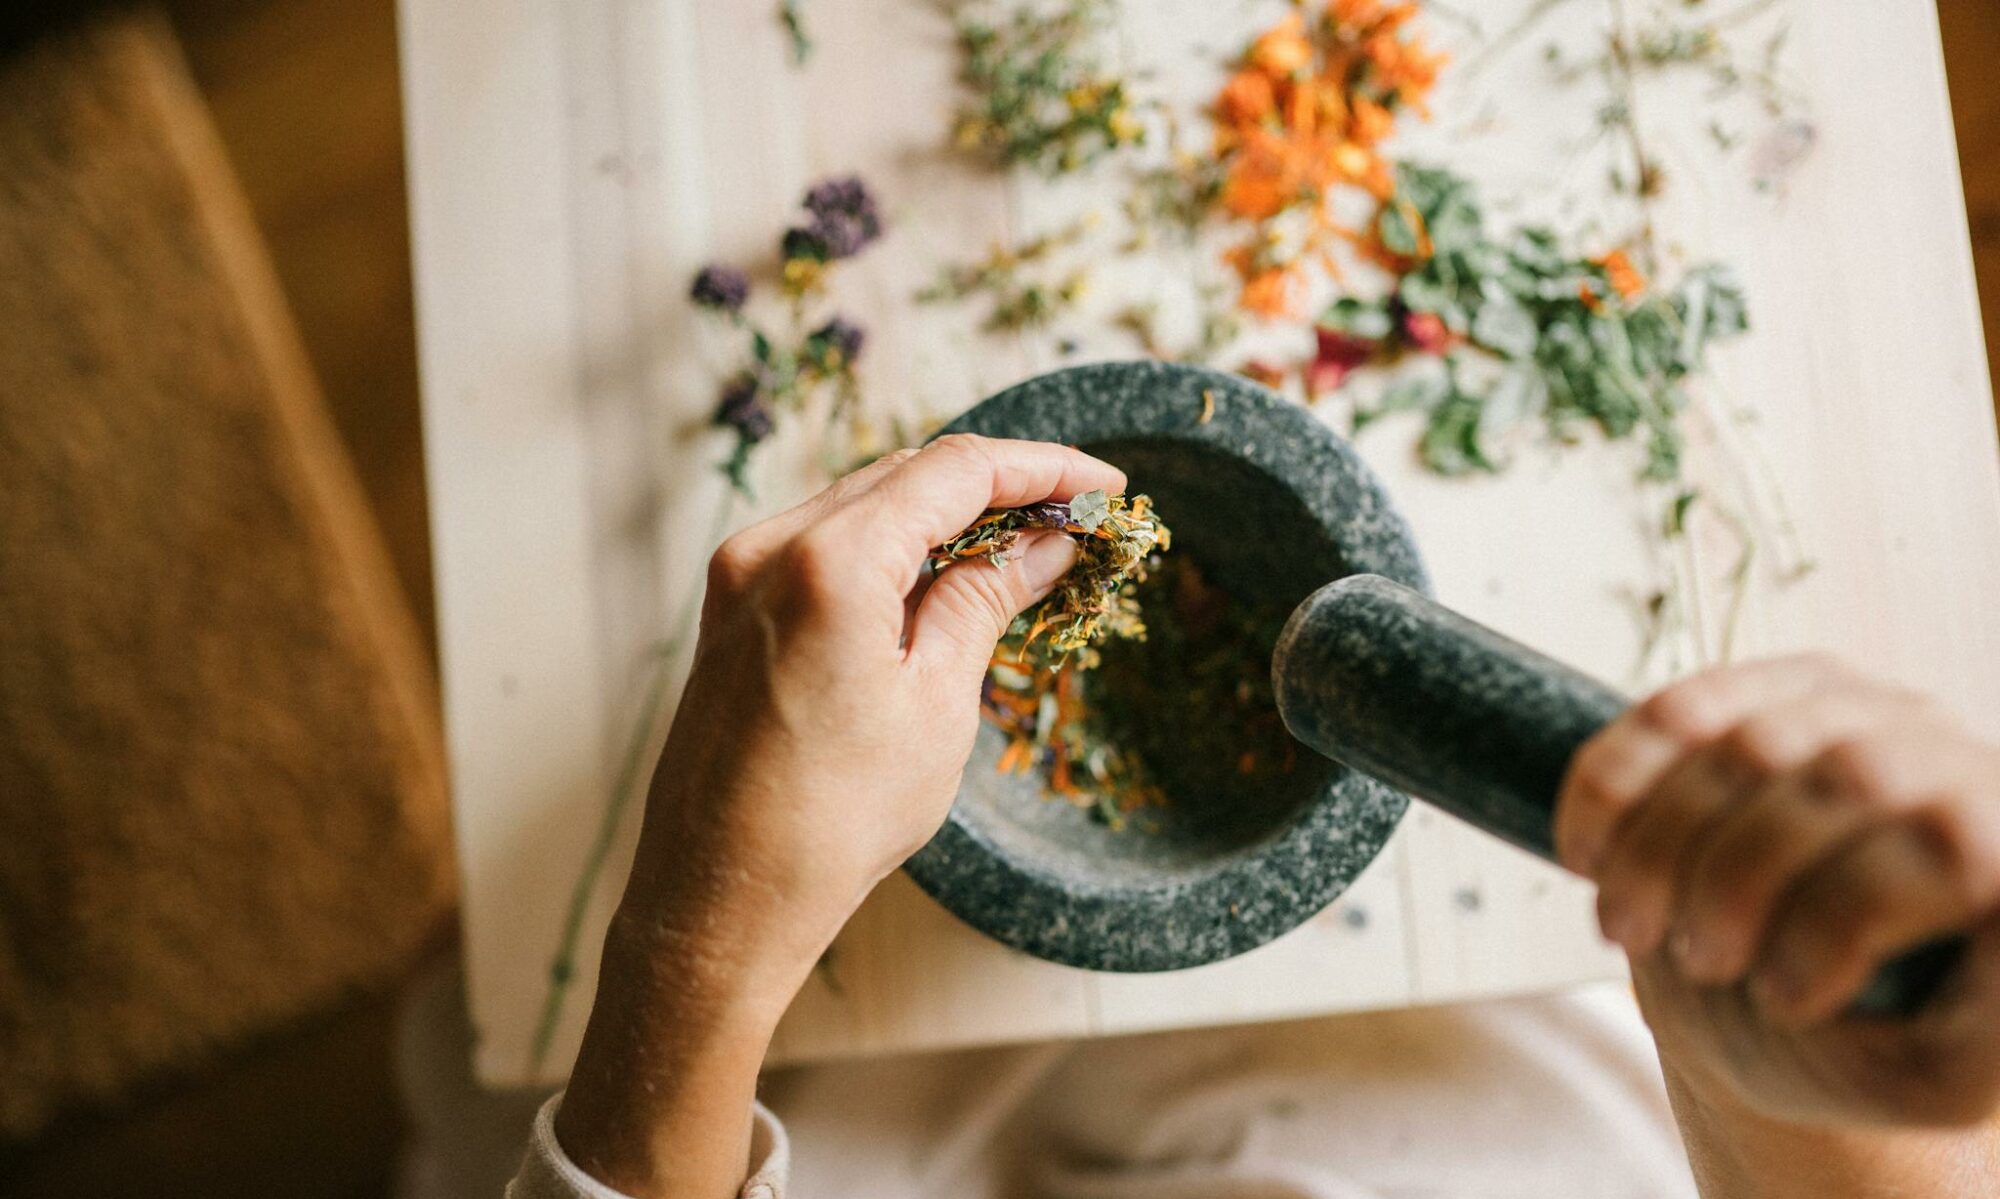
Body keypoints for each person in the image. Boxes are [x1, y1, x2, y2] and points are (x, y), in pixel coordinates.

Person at [502, 436, 2000, 1199]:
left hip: (861, 1127)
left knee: (495, 995)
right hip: (1469, 1063)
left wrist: (692, 946)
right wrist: (1817, 1097)